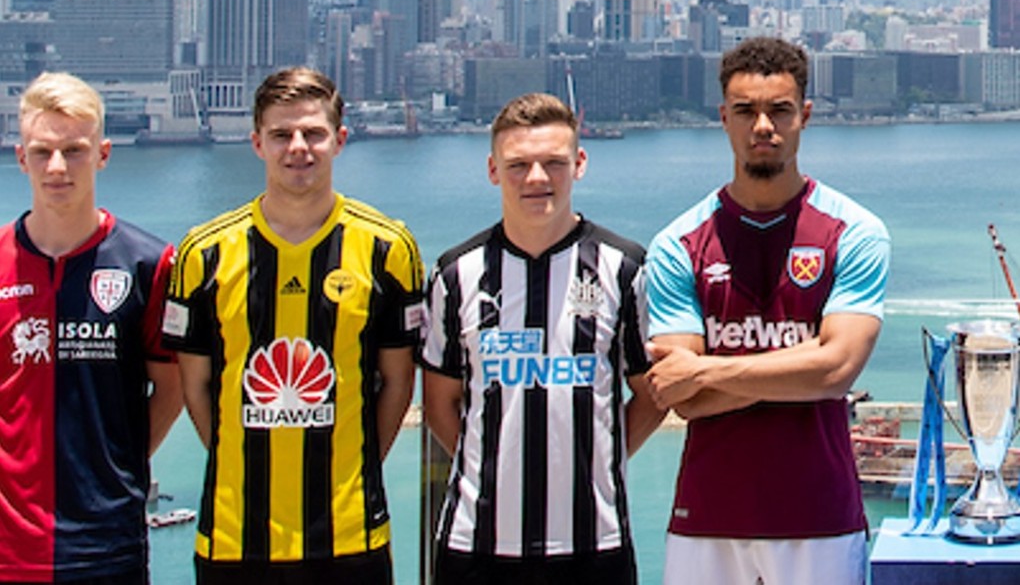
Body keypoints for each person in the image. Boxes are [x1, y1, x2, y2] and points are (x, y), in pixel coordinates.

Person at [162, 67, 423, 584]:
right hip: (234, 540)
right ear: (257, 143)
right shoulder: (204, 253)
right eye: (281, 135)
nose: (298, 147)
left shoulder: (388, 249)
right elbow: (194, 385)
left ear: (340, 140)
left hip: (352, 538)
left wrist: (357, 465)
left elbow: (398, 380)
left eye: (313, 133)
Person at [645, 37, 891, 585]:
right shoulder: (677, 244)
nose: (763, 126)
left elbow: (837, 372)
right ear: (723, 119)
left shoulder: (855, 233)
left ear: (804, 116)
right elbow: (682, 398)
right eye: (746, 112)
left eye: (779, 110)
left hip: (821, 519)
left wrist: (709, 367)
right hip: (706, 520)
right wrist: (800, 366)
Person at [421, 92, 663, 585]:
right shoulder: (455, 274)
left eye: (553, 163)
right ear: (492, 170)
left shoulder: (624, 268)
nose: (536, 178)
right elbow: (439, 404)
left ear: (579, 163)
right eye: (518, 165)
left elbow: (651, 393)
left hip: (595, 546)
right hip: (475, 548)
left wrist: (597, 457)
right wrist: (491, 464)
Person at [0, 72, 182, 583]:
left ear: (103, 153)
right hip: (10, 547)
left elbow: (171, 388)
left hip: (110, 540)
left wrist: (120, 461)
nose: (57, 167)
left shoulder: (149, 263)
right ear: (21, 158)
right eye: (42, 152)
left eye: (74, 150)